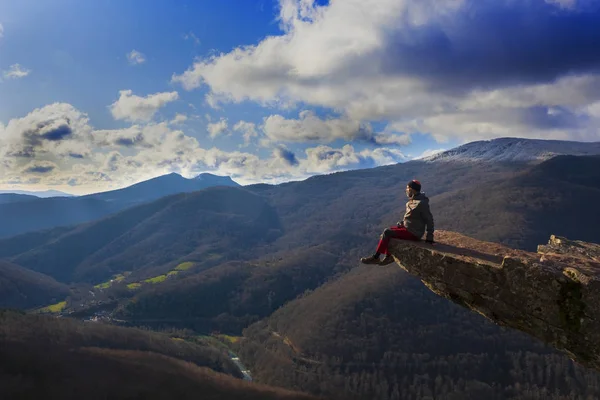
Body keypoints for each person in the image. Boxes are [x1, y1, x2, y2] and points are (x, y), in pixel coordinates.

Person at [361, 179, 435, 266]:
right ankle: (388, 256)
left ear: (412, 190)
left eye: (407, 188)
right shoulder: (412, 201)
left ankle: (376, 257)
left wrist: (430, 237)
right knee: (390, 231)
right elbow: (413, 218)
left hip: (414, 233)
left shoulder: (421, 203)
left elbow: (429, 219)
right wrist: (403, 223)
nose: (406, 190)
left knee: (387, 232)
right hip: (409, 228)